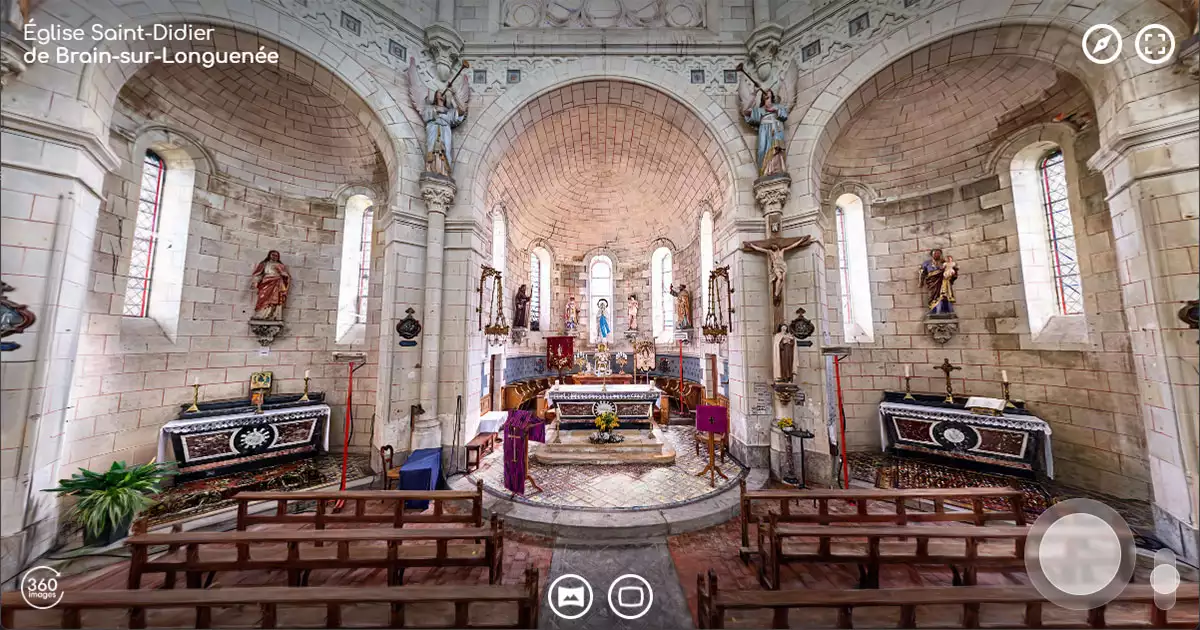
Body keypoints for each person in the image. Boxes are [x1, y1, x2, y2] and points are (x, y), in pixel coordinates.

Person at [744, 88, 789, 177]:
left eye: (768, 92)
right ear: (762, 97)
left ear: (772, 95)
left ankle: (777, 170)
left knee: (776, 148)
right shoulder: (759, 110)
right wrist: (754, 93)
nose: (766, 94)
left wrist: (775, 110)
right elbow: (745, 112)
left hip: (776, 129)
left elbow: (784, 116)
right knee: (762, 150)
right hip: (764, 131)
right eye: (764, 93)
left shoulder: (778, 106)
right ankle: (765, 172)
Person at [251, 250, 290, 320]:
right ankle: (261, 314)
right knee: (262, 297)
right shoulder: (264, 264)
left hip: (277, 283)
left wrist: (284, 275)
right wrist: (255, 281)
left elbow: (286, 275)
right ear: (269, 255)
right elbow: (258, 274)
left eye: (276, 256)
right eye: (273, 255)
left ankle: (272, 315)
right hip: (266, 283)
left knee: (275, 299)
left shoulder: (280, 265)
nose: (274, 257)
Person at [919, 248, 958, 315]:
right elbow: (922, 273)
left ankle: (945, 312)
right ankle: (934, 311)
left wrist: (953, 274)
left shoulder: (944, 263)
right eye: (935, 253)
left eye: (939, 253)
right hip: (932, 284)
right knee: (932, 297)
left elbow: (951, 272)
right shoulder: (927, 263)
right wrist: (921, 282)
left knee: (944, 297)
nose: (937, 255)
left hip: (943, 283)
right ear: (932, 255)